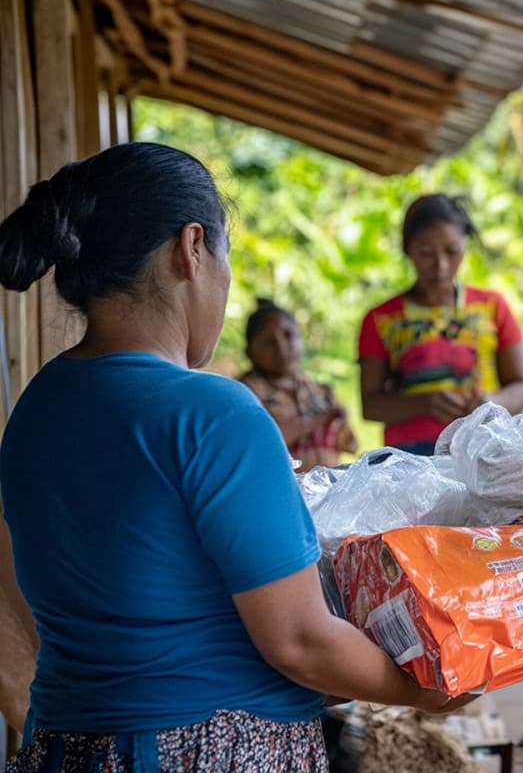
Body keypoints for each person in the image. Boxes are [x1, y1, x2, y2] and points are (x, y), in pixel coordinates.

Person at [0, 143, 472, 772]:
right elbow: (300, 640)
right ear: (191, 248)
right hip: (208, 750)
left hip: (66, 746)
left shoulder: (37, 406)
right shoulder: (213, 412)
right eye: (226, 255)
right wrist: (430, 689)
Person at [358, 194, 523, 455]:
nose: (440, 265)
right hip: (410, 457)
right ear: (408, 251)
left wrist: (490, 404)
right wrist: (424, 403)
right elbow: (371, 405)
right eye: (426, 253)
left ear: (465, 246)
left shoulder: (493, 307)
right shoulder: (381, 319)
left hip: (484, 447)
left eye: (452, 251)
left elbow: (522, 384)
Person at [240, 298, 358, 472]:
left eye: (288, 335)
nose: (281, 346)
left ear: (300, 338)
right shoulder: (245, 394)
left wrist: (341, 420)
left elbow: (351, 446)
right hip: (278, 494)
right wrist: (313, 422)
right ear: (249, 351)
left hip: (329, 492)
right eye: (269, 341)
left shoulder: (321, 392)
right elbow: (253, 446)